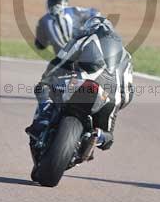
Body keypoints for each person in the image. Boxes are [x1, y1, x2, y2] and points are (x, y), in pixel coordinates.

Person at [26, 15, 134, 151]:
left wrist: (47, 79)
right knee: (108, 138)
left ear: (88, 28)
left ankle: (44, 117)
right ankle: (98, 136)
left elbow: (60, 61)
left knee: (42, 88)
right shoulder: (126, 56)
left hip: (82, 83)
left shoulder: (83, 40)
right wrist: (118, 103)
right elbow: (129, 92)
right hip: (110, 97)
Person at [34, 0, 100, 55]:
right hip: (63, 59)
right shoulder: (44, 20)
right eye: (51, 6)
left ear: (64, 5)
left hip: (82, 51)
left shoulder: (73, 11)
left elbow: (94, 12)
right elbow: (40, 44)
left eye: (56, 6)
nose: (54, 9)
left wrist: (92, 24)